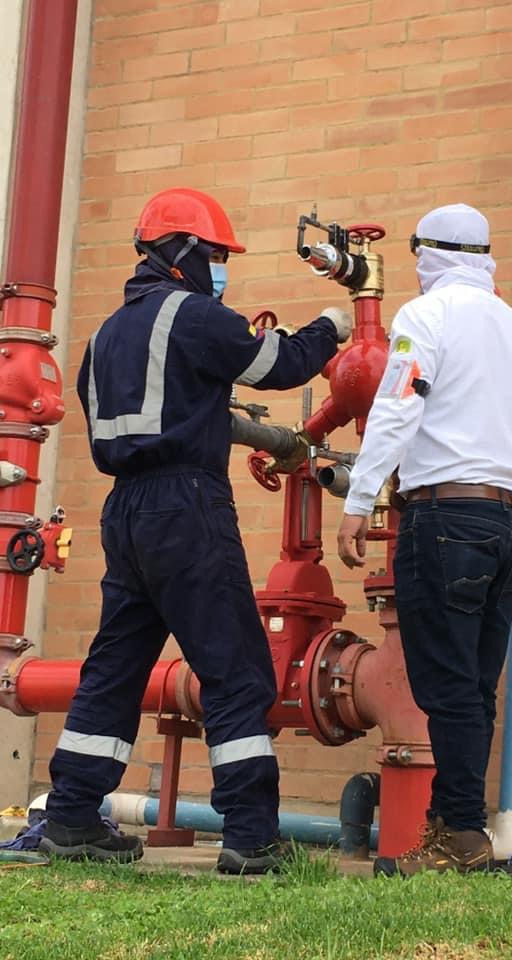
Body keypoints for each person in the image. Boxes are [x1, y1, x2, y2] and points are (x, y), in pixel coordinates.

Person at [39, 187, 352, 874]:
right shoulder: (195, 316)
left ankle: (68, 819)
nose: (220, 267)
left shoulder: (105, 338)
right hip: (188, 505)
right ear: (180, 253)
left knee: (113, 670)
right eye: (214, 254)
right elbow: (283, 366)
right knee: (237, 670)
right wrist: (334, 325)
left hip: (124, 512)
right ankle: (249, 838)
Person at [337, 203, 512, 877]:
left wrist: (357, 500)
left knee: (447, 685)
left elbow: (398, 404)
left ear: (430, 254)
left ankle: (460, 835)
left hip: (444, 518)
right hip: (509, 521)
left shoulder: (424, 317)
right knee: (475, 686)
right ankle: (452, 830)